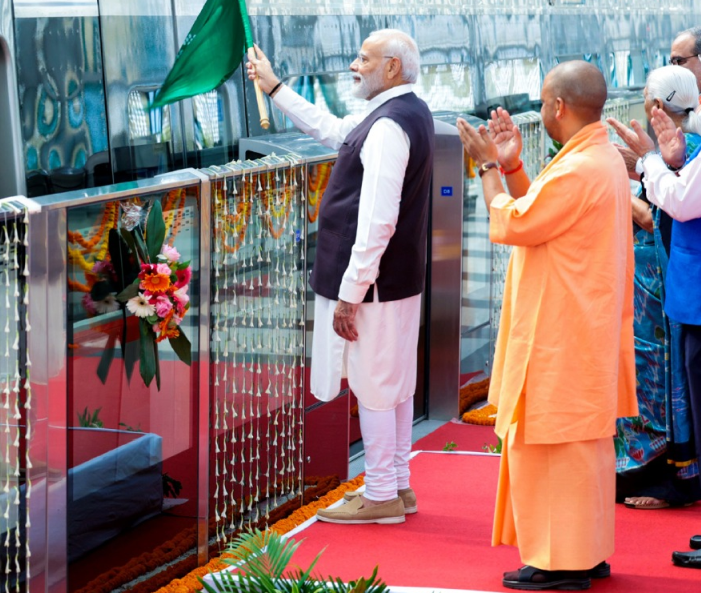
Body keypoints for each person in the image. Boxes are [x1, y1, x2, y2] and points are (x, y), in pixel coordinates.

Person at [457, 61, 635, 589]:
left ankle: (562, 562)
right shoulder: (596, 156)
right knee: (581, 449)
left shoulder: (581, 166)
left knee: (554, 445)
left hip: (562, 332)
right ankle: (584, 551)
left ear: (559, 106)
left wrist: (488, 167)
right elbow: (544, 213)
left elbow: (516, 223)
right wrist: (513, 166)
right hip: (579, 326)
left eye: (541, 101)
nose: (539, 109)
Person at [247, 29, 434, 525]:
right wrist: (274, 88)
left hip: (373, 287)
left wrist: (352, 293)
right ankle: (397, 485)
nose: (354, 64)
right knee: (393, 384)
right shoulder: (404, 111)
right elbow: (333, 131)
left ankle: (380, 494)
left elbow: (377, 221)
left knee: (375, 386)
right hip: (394, 281)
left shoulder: (388, 125)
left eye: (364, 58)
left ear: (391, 67)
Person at [610, 83, 701, 570]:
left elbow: (674, 208)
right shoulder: (683, 150)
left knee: (670, 388)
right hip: (671, 296)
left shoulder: (688, 149)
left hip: (676, 293)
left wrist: (647, 167)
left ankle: (671, 477)